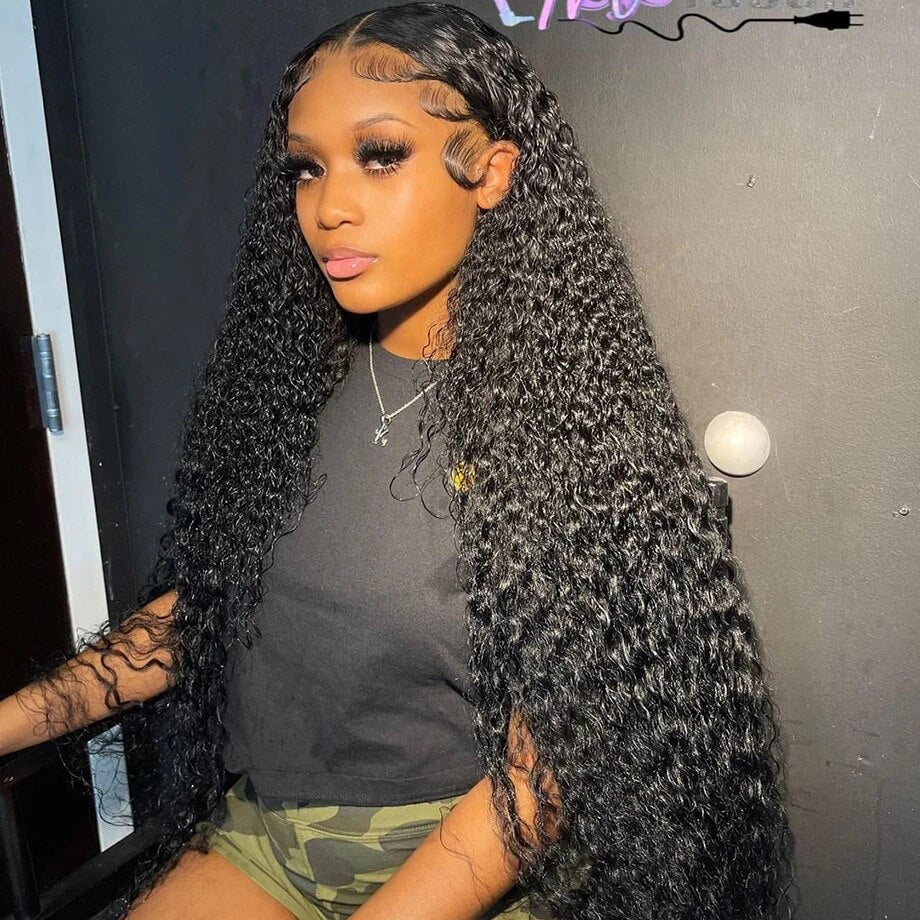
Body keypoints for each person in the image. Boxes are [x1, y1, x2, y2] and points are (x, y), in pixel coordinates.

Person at [0, 4, 796, 919]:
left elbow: (553, 763)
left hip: (472, 858)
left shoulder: (569, 426)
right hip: (271, 839)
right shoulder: (285, 390)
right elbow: (206, 617)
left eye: (380, 155)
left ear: (491, 173)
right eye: (307, 167)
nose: (328, 206)